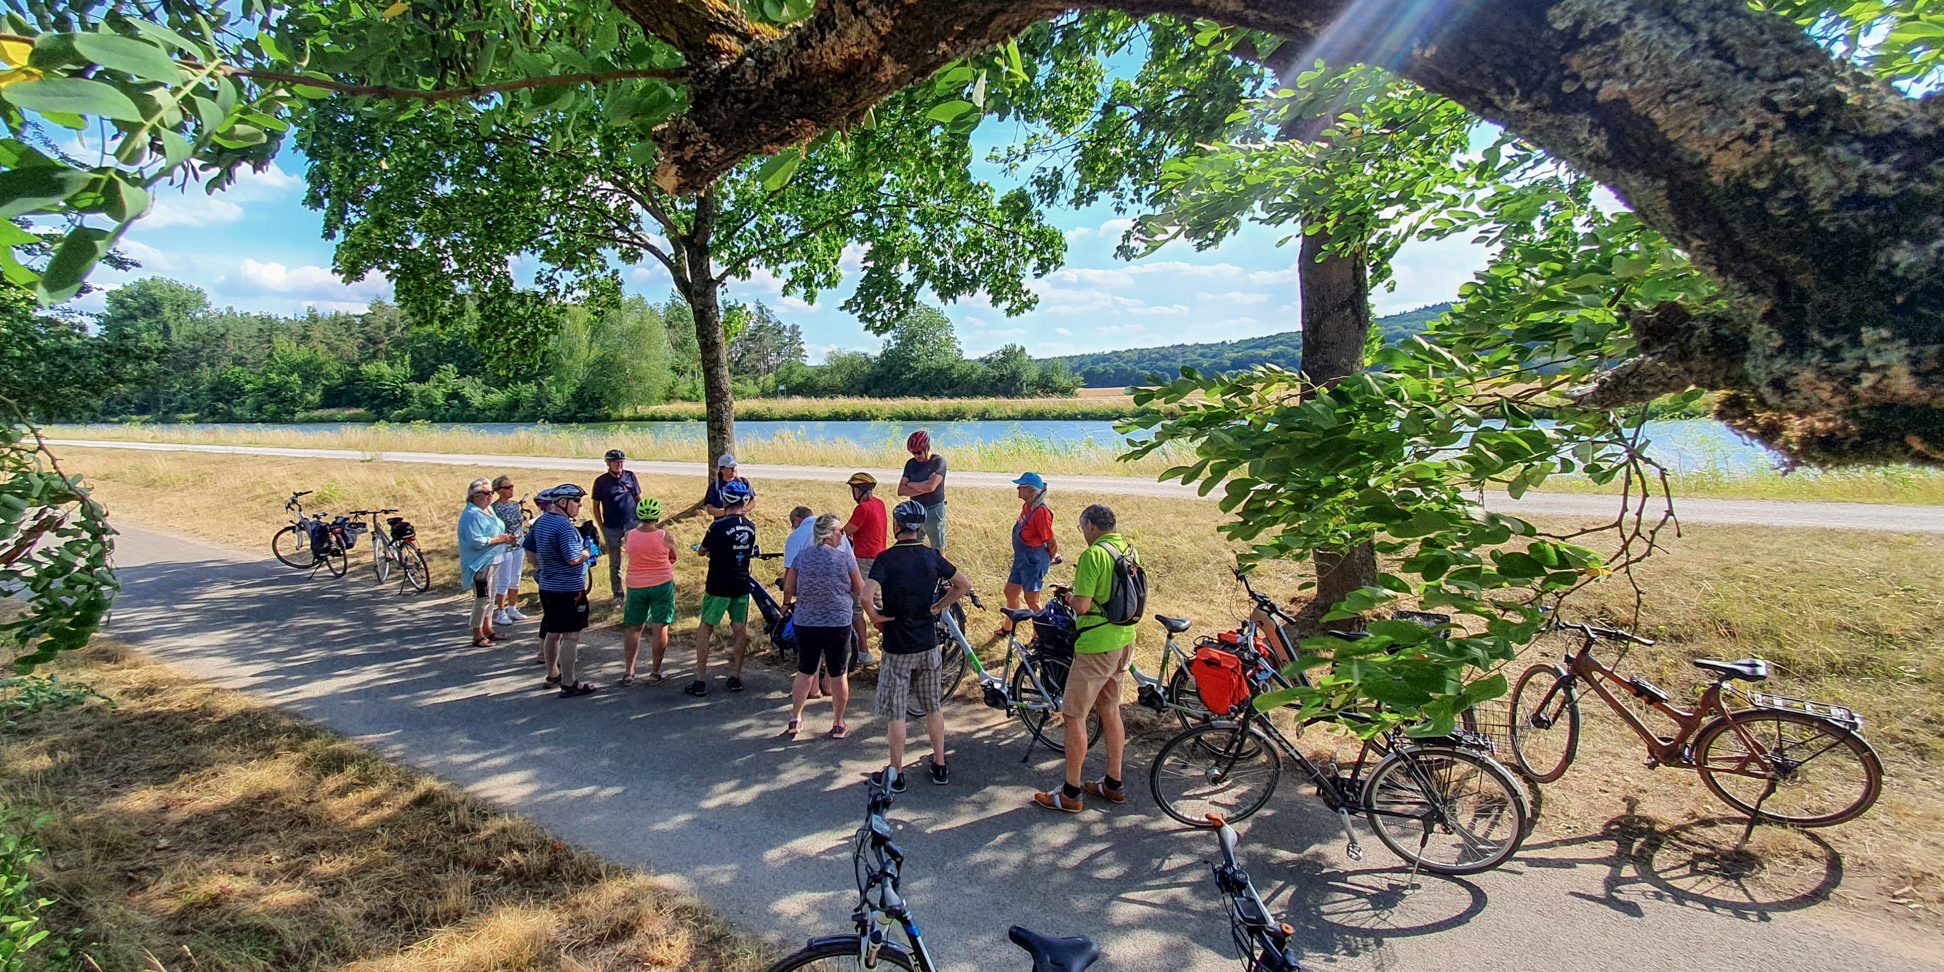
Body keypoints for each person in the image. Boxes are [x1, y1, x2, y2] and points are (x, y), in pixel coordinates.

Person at [1034, 504, 1138, 812]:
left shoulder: (1094, 555)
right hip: (1124, 639)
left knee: (1073, 715)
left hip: (1096, 644)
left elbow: (1081, 606)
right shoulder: (1128, 548)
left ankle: (1070, 792)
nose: (1084, 535)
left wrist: (1069, 596)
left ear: (1090, 526)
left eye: (1083, 529)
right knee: (1109, 709)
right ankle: (1113, 783)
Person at [864, 499, 971, 791]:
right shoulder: (933, 556)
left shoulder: (885, 559)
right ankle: (939, 763)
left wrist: (876, 618)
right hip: (928, 642)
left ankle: (896, 773)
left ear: (896, 525)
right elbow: (963, 584)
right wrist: (938, 607)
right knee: (932, 706)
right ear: (921, 527)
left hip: (898, 644)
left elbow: (866, 595)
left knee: (897, 712)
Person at [784, 513, 864, 737]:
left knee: (805, 670)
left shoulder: (802, 557)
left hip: (806, 621)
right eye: (840, 531)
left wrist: (788, 603)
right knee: (838, 673)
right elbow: (859, 588)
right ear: (830, 534)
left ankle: (795, 717)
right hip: (837, 622)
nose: (842, 535)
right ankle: (838, 722)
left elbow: (789, 586)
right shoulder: (845, 559)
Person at [689, 478, 756, 697]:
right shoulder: (750, 526)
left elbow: (703, 549)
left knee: (705, 628)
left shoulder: (717, 526)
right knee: (740, 630)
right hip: (741, 584)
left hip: (718, 585)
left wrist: (707, 550)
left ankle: (700, 679)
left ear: (725, 501)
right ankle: (736, 676)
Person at [532, 483, 598, 698]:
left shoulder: (541, 522)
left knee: (552, 632)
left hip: (547, 586)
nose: (579, 505)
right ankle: (569, 683)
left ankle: (552, 674)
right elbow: (573, 558)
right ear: (563, 503)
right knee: (570, 635)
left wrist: (541, 568)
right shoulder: (564, 527)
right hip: (569, 590)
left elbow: (530, 548)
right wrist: (588, 551)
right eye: (576, 501)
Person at [620, 496, 678, 685]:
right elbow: (673, 555)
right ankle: (655, 671)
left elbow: (628, 552)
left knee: (633, 627)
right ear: (657, 516)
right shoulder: (664, 535)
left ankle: (629, 671)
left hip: (636, 584)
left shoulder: (629, 535)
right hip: (661, 583)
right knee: (660, 625)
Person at [459, 478, 518, 648]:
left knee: (490, 598)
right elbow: (476, 541)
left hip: (493, 559)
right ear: (474, 495)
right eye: (486, 493)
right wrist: (501, 539)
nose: (490, 496)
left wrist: (505, 537)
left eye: (491, 492)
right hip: (479, 564)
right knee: (482, 598)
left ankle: (488, 629)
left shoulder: (488, 510)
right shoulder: (471, 514)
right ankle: (477, 634)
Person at [1001, 471, 1059, 635]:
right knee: (1011, 592)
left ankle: (1041, 636)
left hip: (1033, 560)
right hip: (1022, 558)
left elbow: (1052, 542)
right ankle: (1008, 627)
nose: (1018, 488)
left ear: (1032, 491)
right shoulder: (1027, 506)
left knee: (1032, 600)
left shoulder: (1040, 512)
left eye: (1022, 486)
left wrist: (1052, 557)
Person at [841, 472, 887, 667]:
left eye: (853, 489)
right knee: (878, 604)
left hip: (864, 560)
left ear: (858, 491)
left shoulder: (863, 508)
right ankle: (894, 642)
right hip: (880, 559)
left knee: (857, 606)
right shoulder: (880, 504)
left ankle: (863, 651)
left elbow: (846, 532)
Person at [591, 448, 642, 603]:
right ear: (608, 464)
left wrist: (644, 521)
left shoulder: (630, 476)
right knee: (615, 562)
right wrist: (602, 527)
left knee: (636, 557)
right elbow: (596, 506)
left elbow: (639, 498)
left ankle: (638, 590)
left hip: (632, 521)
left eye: (621, 461)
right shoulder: (601, 481)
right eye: (615, 462)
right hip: (611, 525)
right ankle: (618, 594)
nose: (619, 464)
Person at [897, 430, 948, 550]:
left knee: (938, 547)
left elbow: (931, 487)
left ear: (928, 447)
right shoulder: (910, 464)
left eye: (919, 452)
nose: (916, 456)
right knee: (913, 546)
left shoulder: (938, 462)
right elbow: (901, 490)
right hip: (915, 510)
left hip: (934, 510)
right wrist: (923, 485)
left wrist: (911, 484)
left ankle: (940, 569)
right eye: (913, 453)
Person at [490, 476, 528, 626]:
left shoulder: (514, 505)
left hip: (518, 544)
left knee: (516, 577)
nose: (511, 490)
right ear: (498, 490)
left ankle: (512, 607)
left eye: (512, 486)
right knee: (504, 579)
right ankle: (500, 611)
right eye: (507, 488)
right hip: (504, 547)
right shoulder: (494, 509)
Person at [702, 453, 757, 518]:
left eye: (734, 466)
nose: (733, 470)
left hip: (740, 522)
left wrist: (744, 509)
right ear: (722, 469)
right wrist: (728, 511)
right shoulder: (715, 486)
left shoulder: (743, 482)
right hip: (721, 524)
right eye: (730, 467)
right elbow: (709, 509)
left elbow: (753, 498)